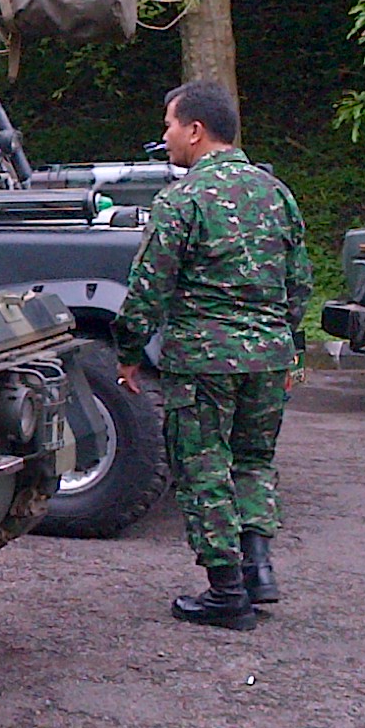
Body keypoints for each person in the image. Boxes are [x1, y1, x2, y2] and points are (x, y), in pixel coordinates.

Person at [114, 81, 312, 631]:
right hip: (268, 358)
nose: (165, 135)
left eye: (170, 124)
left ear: (196, 130)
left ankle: (225, 591)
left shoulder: (182, 200)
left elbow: (149, 286)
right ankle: (259, 568)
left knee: (203, 466)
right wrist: (287, 345)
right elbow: (299, 282)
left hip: (204, 361)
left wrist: (128, 350)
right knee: (252, 461)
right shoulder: (277, 193)